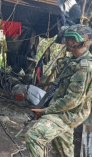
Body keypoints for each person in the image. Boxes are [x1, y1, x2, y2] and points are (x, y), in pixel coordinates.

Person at [25, 24, 92, 157]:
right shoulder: (71, 61)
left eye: (72, 38)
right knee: (64, 151)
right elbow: (58, 89)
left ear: (82, 42)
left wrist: (45, 111)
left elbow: (72, 101)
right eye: (67, 38)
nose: (68, 41)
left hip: (70, 113)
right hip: (63, 110)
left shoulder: (84, 68)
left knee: (34, 136)